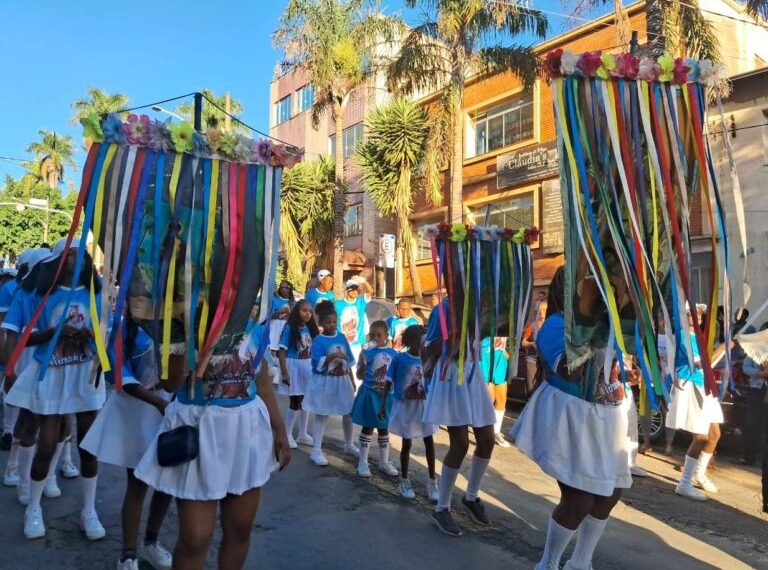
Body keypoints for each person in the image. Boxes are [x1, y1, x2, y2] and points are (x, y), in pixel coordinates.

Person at [134, 328, 291, 570]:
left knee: (239, 527)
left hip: (245, 432)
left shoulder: (255, 326)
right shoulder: (188, 320)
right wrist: (183, 335)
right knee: (195, 538)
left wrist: (280, 430)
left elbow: (263, 387)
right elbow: (170, 382)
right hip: (199, 433)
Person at [511, 266, 634, 570]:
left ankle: (581, 562)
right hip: (573, 420)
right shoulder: (556, 324)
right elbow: (570, 370)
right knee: (579, 499)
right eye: (590, 285)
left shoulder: (610, 324)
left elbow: (629, 351)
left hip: (608, 421)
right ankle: (548, 564)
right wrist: (588, 321)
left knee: (610, 492)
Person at [5, 238, 107, 540]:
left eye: (82, 254)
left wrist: (91, 336)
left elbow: (104, 337)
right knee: (47, 445)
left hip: (85, 375)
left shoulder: (96, 296)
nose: (78, 259)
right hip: (51, 375)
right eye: (71, 254)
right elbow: (25, 338)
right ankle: (33, 507)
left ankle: (89, 510)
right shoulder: (41, 295)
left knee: (89, 448)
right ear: (59, 261)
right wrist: (53, 333)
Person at [80, 319, 173, 570]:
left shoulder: (175, 322)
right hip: (138, 410)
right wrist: (157, 401)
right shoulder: (122, 327)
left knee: (167, 482)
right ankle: (128, 554)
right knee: (137, 482)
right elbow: (121, 375)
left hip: (170, 406)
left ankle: (151, 543)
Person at [422, 297, 496, 537]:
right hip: (452, 375)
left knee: (487, 439)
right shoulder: (443, 308)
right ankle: (442, 507)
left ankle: (471, 497)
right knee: (461, 443)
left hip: (473, 373)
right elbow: (427, 347)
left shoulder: (479, 305)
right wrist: (450, 338)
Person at [666, 304, 727, 501]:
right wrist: (725, 347)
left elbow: (707, 364)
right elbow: (701, 363)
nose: (696, 317)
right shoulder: (682, 336)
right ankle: (684, 483)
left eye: (699, 315)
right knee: (700, 436)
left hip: (702, 385)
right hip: (689, 384)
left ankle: (699, 474)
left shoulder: (700, 338)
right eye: (691, 315)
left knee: (714, 433)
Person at [380, 324, 439, 501]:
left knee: (429, 440)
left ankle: (432, 481)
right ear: (409, 342)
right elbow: (388, 382)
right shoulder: (399, 359)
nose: (421, 345)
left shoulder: (429, 358)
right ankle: (404, 480)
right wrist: (383, 404)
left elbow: (434, 382)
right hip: (406, 406)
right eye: (417, 341)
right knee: (407, 443)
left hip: (424, 405)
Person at [304, 301, 359, 466]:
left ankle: (349, 444)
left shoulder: (341, 337)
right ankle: (316, 450)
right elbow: (316, 364)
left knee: (348, 412)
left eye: (334, 322)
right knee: (322, 414)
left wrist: (352, 379)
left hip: (342, 381)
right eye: (328, 322)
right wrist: (331, 357)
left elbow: (348, 360)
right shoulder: (319, 341)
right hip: (325, 382)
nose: (332, 325)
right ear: (321, 323)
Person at [350, 320, 398, 478]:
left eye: (379, 335)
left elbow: (397, 376)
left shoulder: (393, 354)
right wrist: (363, 364)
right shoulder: (366, 353)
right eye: (372, 335)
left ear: (386, 336)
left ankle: (384, 462)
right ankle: (362, 462)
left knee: (384, 428)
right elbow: (359, 375)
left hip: (386, 397)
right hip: (370, 395)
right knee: (368, 427)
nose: (375, 338)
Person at [277, 300, 319, 448]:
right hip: (293, 366)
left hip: (306, 366)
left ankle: (302, 434)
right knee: (295, 401)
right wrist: (284, 373)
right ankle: (287, 434)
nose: (307, 313)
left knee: (305, 400)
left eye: (309, 311)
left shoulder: (309, 328)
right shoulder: (289, 328)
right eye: (304, 310)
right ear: (297, 312)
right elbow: (281, 351)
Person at [334, 276, 373, 381]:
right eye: (353, 288)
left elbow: (370, 291)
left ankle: (355, 395)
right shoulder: (337, 304)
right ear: (347, 290)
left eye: (357, 288)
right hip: (342, 343)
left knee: (356, 371)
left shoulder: (360, 302)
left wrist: (363, 281)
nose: (355, 291)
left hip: (356, 344)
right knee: (342, 370)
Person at [741, 322, 768, 466]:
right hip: (756, 389)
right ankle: (749, 455)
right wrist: (759, 373)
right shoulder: (754, 349)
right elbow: (745, 367)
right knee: (751, 424)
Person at [480, 336, 510, 448]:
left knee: (502, 399)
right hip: (486, 358)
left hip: (500, 359)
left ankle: (496, 432)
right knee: (489, 399)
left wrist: (504, 350)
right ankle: (484, 431)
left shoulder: (506, 320)